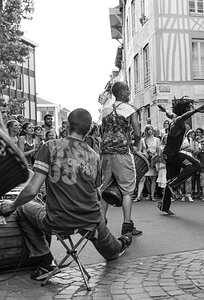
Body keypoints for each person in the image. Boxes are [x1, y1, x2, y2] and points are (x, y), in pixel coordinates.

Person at [0, 108, 132, 280]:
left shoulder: (50, 146)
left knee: (22, 208)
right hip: (90, 221)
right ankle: (123, 241)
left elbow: (32, 190)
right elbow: (96, 193)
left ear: (67, 126)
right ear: (89, 130)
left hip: (57, 222)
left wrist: (11, 205)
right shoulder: (94, 156)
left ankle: (47, 261)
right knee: (113, 253)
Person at [100, 81, 142, 235]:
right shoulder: (129, 110)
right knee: (127, 190)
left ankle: (101, 222)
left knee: (105, 188)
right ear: (122, 92)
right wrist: (136, 146)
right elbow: (137, 133)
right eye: (128, 90)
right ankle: (127, 225)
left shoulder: (105, 110)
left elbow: (102, 132)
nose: (129, 93)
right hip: (122, 152)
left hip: (105, 153)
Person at [157, 99, 204, 215]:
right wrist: (196, 110)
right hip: (172, 154)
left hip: (170, 154)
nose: (189, 111)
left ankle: (164, 206)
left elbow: (169, 113)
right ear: (184, 111)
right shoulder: (178, 121)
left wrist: (164, 110)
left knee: (171, 179)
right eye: (188, 109)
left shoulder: (174, 117)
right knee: (196, 165)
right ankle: (173, 185)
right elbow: (182, 118)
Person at [135, 124, 160, 202]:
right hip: (145, 161)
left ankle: (152, 195)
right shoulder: (142, 140)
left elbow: (159, 151)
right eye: (148, 129)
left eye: (151, 129)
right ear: (146, 131)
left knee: (153, 178)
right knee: (143, 178)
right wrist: (144, 154)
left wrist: (154, 155)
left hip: (153, 160)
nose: (150, 131)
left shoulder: (157, 140)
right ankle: (138, 196)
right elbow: (138, 151)